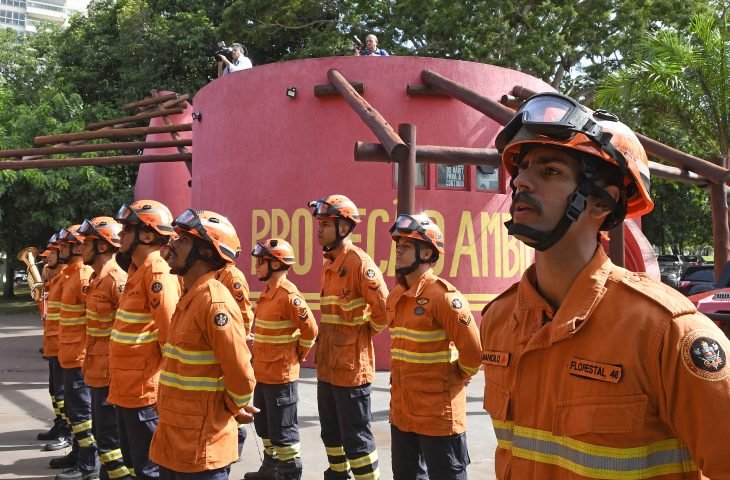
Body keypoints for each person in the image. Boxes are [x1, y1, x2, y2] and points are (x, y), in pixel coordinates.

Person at [480, 92, 730, 479]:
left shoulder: (666, 331)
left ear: (601, 203)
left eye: (549, 171)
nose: (521, 182)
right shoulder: (499, 321)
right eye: (523, 168)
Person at [149, 209, 257, 479]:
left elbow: (242, 379)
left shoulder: (213, 302)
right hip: (174, 443)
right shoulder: (190, 297)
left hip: (201, 448)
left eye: (183, 240)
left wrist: (230, 409)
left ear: (207, 253)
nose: (171, 244)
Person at [387, 214, 482, 479]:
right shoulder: (395, 296)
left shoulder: (444, 297)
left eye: (406, 245)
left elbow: (473, 353)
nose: (399, 250)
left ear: (427, 252)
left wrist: (457, 376)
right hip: (402, 415)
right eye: (398, 245)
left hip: (438, 418)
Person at [309, 194, 388, 480]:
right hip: (329, 367)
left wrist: (364, 332)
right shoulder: (329, 263)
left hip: (352, 370)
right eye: (319, 223)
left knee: (357, 440)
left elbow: (385, 310)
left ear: (344, 228)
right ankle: (337, 475)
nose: (319, 229)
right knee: (330, 433)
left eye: (325, 224)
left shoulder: (358, 263)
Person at [108, 200, 181, 480]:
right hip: (127, 388)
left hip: (144, 392)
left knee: (149, 469)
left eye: (127, 229)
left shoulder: (157, 271)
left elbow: (170, 334)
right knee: (134, 465)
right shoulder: (136, 271)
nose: (120, 234)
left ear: (148, 235)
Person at [245, 238, 318, 480]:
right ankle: (270, 469)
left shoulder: (289, 295)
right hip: (263, 374)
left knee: (284, 433)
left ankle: (288, 474)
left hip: (281, 376)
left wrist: (298, 353)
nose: (256, 266)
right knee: (264, 427)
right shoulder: (268, 294)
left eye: (261, 262)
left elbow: (311, 331)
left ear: (275, 265)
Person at [78, 217, 132, 480]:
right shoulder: (97, 279)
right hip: (97, 371)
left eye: (87, 243)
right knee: (103, 437)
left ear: (102, 246)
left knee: (112, 440)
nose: (81, 249)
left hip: (112, 374)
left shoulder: (116, 280)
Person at [56, 224, 98, 480]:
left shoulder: (83, 276)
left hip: (80, 358)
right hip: (69, 355)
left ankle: (88, 464)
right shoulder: (72, 274)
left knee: (83, 415)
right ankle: (77, 454)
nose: (61, 248)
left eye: (66, 244)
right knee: (74, 413)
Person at [214, 246, 255, 461]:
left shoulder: (233, 277)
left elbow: (245, 314)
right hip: (220, 343)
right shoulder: (215, 274)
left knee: (234, 398)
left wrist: (242, 342)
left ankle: (235, 445)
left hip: (232, 343)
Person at [38, 234, 74, 456]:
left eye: (52, 251)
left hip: (66, 347)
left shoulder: (71, 278)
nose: (48, 256)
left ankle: (66, 433)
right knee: (55, 391)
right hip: (55, 344)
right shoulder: (60, 278)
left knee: (64, 395)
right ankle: (60, 424)